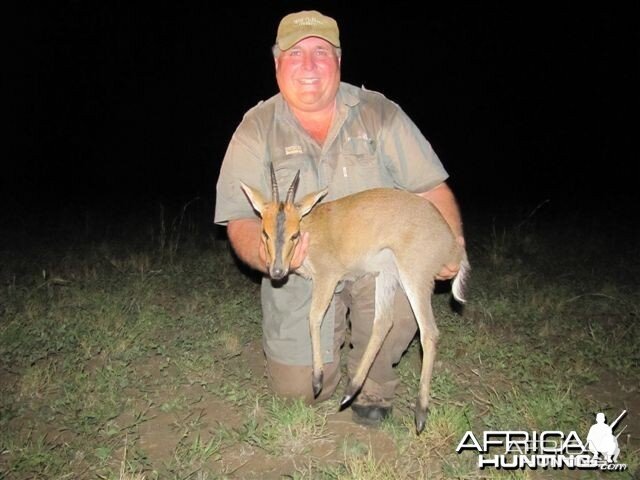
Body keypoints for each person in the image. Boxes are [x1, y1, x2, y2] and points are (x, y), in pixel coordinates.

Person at [214, 10, 465, 426]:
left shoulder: (378, 112)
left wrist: (452, 243)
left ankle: (374, 384)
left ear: (339, 61)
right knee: (297, 390)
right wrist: (273, 257)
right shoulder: (255, 128)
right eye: (295, 54)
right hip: (303, 267)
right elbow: (240, 220)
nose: (308, 65)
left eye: (321, 52)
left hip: (373, 257)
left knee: (400, 293)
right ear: (277, 63)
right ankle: (324, 355)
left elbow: (431, 188)